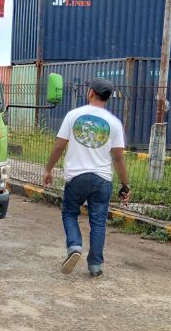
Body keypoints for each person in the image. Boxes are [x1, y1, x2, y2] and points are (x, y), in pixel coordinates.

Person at [41, 78, 130, 279]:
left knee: (70, 213)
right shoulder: (114, 123)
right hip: (102, 179)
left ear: (90, 92)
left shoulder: (73, 115)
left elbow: (59, 145)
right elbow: (117, 158)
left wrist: (48, 169)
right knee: (98, 222)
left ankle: (74, 245)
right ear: (108, 97)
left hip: (76, 178)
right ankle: (95, 265)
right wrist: (125, 185)